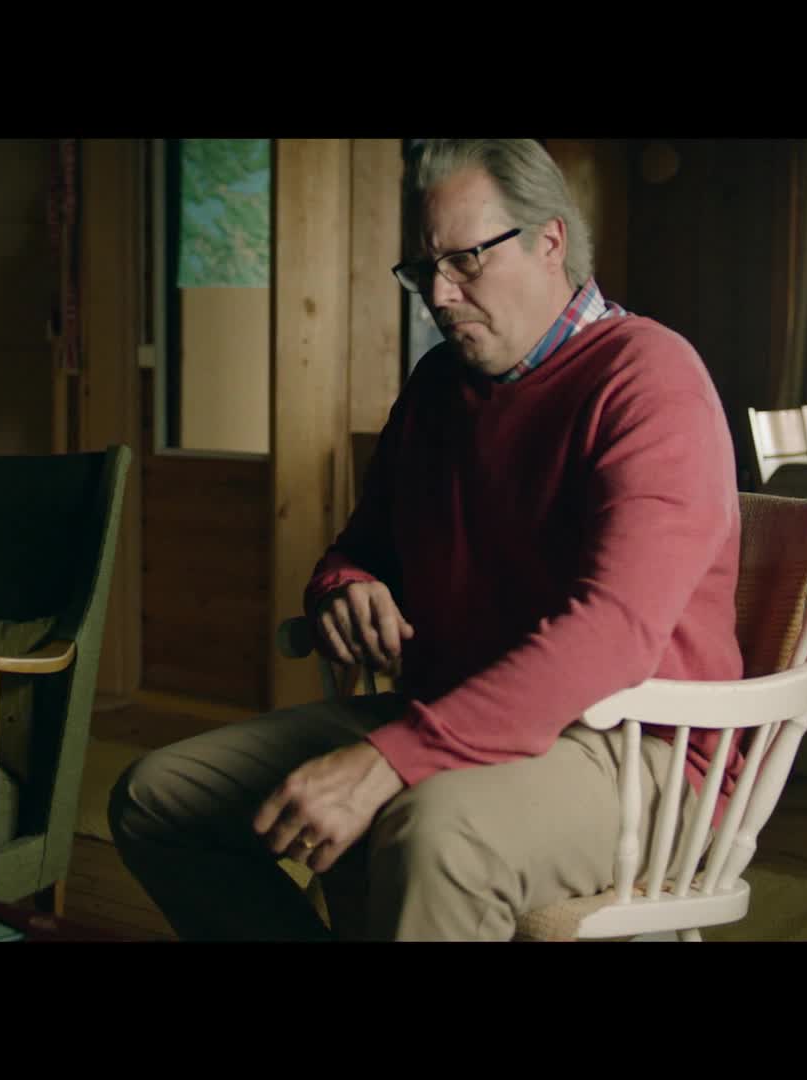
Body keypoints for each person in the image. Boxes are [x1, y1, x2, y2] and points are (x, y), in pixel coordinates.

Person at [108, 138, 744, 941]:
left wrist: (390, 760)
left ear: (550, 241)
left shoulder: (648, 377)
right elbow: (361, 547)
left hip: (634, 745)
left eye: (466, 260)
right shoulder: (440, 384)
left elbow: (610, 634)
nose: (438, 296)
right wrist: (343, 588)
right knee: (157, 798)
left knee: (437, 837)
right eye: (423, 268)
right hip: (455, 710)